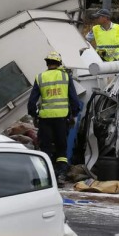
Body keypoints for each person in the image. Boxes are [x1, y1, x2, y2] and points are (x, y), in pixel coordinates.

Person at [27, 51, 80, 186]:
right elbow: (74, 99)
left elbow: (32, 102)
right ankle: (60, 174)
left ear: (47, 63)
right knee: (61, 147)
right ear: (59, 63)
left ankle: (46, 175)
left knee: (46, 147)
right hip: (62, 119)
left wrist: (34, 115)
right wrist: (74, 113)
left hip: (45, 120)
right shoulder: (66, 77)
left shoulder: (40, 77)